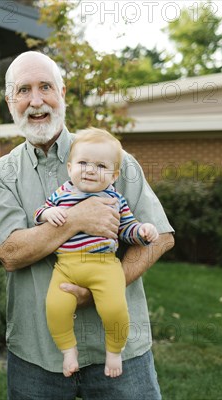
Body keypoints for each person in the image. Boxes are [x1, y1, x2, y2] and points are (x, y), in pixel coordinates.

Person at [0, 51, 175, 399]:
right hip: (38, 353)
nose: (36, 100)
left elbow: (160, 236)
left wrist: (103, 288)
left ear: (63, 93)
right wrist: (76, 219)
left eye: (46, 87)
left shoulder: (113, 159)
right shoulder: (2, 174)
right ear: (10, 101)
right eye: (23, 90)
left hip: (118, 351)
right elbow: (10, 252)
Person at [35, 127, 159, 379]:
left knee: (115, 308)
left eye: (100, 166)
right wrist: (48, 214)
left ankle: (114, 351)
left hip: (104, 265)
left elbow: (127, 229)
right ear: (70, 168)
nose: (90, 169)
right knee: (55, 308)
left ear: (114, 175)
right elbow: (40, 213)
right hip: (66, 267)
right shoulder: (62, 194)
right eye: (83, 163)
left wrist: (143, 231)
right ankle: (68, 350)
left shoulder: (115, 199)